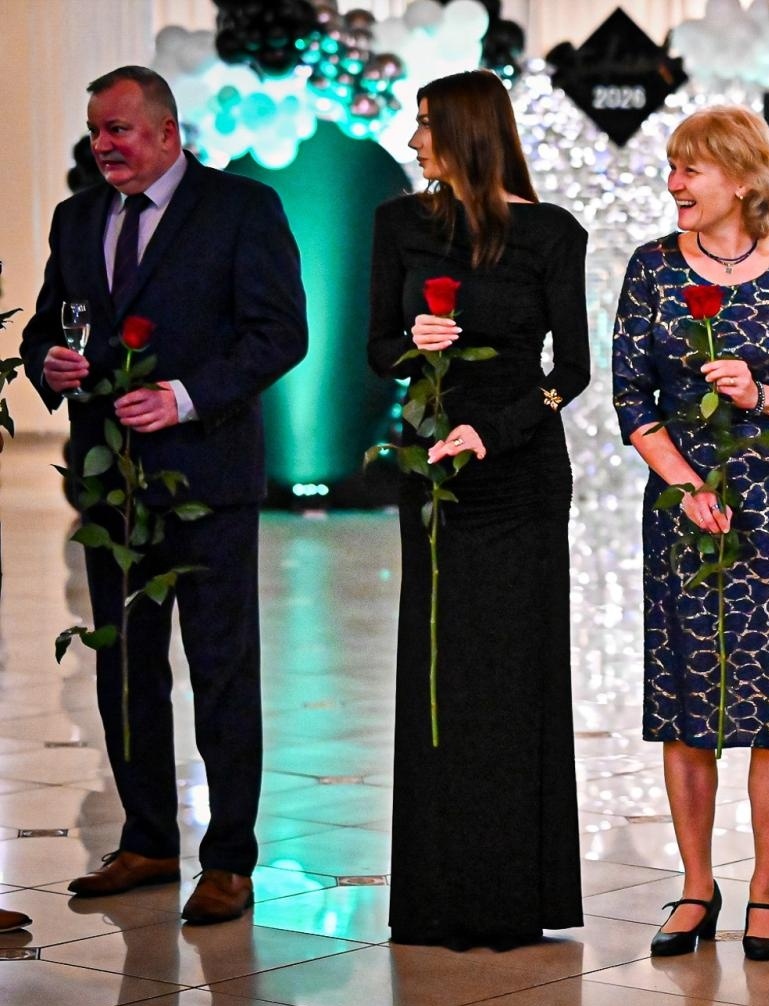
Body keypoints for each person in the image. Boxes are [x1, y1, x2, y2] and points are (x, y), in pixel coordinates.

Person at [19, 66, 307, 924]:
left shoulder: (242, 209)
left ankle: (229, 858)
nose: (103, 146)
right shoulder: (76, 219)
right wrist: (50, 364)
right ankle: (147, 835)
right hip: (112, 483)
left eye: (119, 131)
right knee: (126, 664)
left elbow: (280, 333)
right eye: (96, 132)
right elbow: (46, 327)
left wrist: (184, 395)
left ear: (168, 133)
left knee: (221, 669)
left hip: (207, 479)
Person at [612, 104, 769, 962]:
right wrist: (683, 486)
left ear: (746, 181)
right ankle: (694, 884)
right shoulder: (649, 271)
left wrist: (760, 395)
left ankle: (766, 887)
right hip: (685, 510)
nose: (673, 183)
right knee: (686, 703)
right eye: (673, 168)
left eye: (692, 169)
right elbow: (631, 399)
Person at [367, 69, 590, 950]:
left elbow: (568, 371)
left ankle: (512, 892)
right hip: (433, 473)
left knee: (515, 678)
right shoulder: (398, 224)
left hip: (520, 475)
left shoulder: (550, 233)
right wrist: (407, 348)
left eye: (426, 125)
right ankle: (435, 891)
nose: (415, 140)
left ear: (467, 132)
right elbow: (376, 346)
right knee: (440, 674)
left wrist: (490, 432)